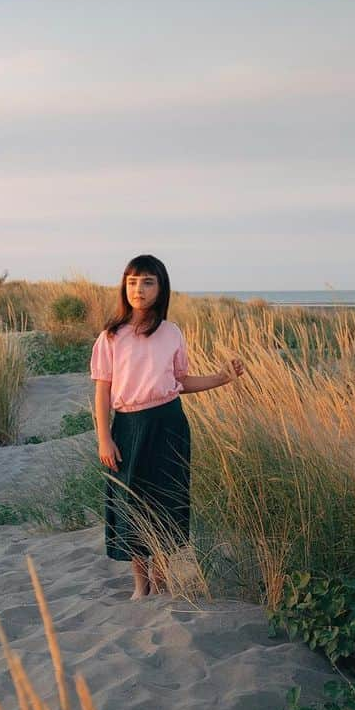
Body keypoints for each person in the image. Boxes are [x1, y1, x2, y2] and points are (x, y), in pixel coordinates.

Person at [90, 254, 245, 600]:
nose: (138, 290)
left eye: (147, 282)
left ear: (161, 288)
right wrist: (104, 437)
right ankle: (140, 584)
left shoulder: (171, 333)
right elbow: (102, 390)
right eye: (132, 282)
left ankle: (161, 580)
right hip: (128, 426)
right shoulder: (112, 336)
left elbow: (181, 381)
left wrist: (223, 377)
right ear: (124, 287)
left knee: (164, 502)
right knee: (131, 501)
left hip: (169, 423)